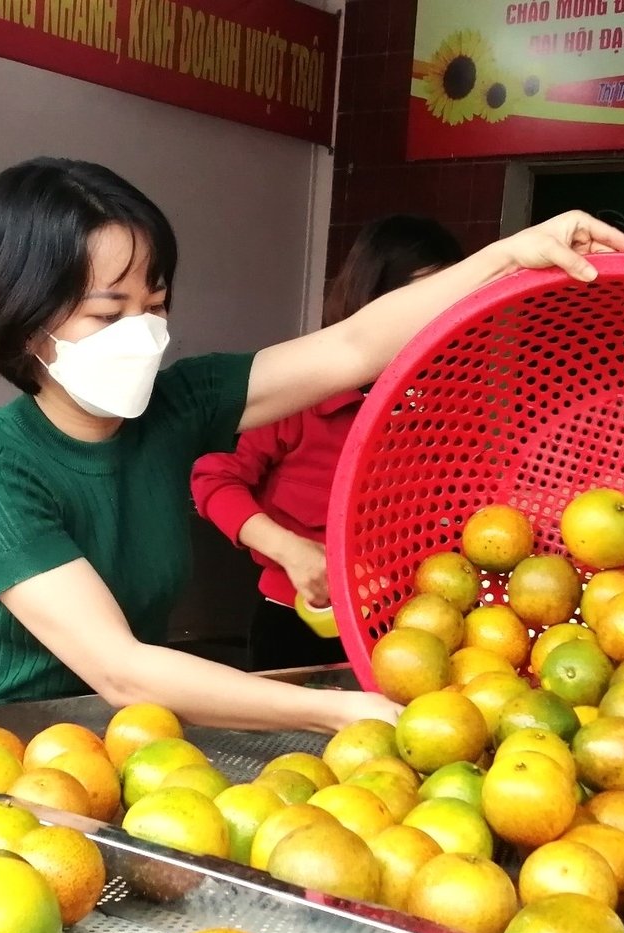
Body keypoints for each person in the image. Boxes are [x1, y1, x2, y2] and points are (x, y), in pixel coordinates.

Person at [0, 157, 624, 734]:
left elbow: (356, 344)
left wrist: (509, 256)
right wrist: (329, 710)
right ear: (25, 324)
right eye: (107, 311)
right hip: (3, 756)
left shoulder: (176, 407)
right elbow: (122, 667)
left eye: (153, 305)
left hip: (130, 743)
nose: (143, 331)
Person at [191, 215, 467, 672]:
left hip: (416, 629)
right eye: (420, 295)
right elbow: (213, 480)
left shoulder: (446, 405)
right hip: (299, 624)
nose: (436, 314)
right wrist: (288, 549)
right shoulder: (301, 392)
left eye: (449, 297)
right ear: (372, 297)